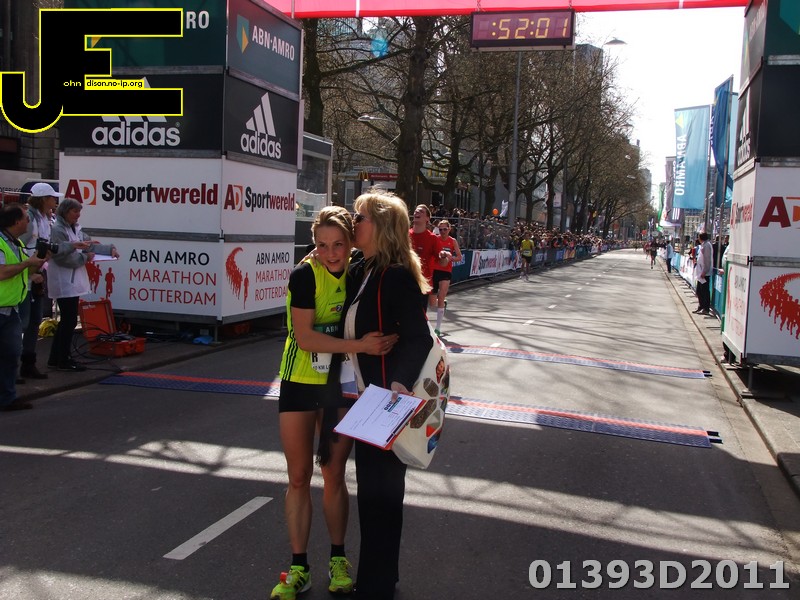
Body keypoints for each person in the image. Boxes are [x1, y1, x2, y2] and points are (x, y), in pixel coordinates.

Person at [271, 206, 397, 600]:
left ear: (350, 243)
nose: (330, 253)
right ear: (314, 245)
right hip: (299, 380)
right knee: (297, 477)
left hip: (339, 384)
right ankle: (299, 567)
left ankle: (338, 561)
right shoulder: (304, 275)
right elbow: (306, 337)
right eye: (322, 245)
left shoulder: (360, 271)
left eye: (338, 244)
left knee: (333, 474)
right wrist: (358, 346)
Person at [343, 191, 434, 600]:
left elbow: (418, 338)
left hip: (383, 402)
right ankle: (377, 579)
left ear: (379, 226)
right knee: (373, 496)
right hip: (366, 400)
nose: (353, 222)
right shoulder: (362, 268)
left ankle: (377, 586)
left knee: (381, 497)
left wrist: (398, 385)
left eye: (359, 217)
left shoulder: (394, 276)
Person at [47, 198, 118, 372]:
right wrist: (85, 258)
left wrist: (110, 250)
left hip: (72, 280)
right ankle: (63, 359)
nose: (78, 215)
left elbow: (89, 245)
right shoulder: (58, 230)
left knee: (67, 320)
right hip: (64, 280)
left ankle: (56, 357)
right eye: (75, 211)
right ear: (65, 212)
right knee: (69, 320)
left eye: (79, 211)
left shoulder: (75, 228)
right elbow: (62, 257)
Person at [0, 204, 46, 411]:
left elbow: (23, 272)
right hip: (3, 308)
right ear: (16, 221)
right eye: (26, 218)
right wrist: (28, 264)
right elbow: (2, 272)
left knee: (11, 355)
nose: (29, 222)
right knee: (9, 354)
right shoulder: (1, 243)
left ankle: (7, 398)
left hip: (10, 309)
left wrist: (39, 262)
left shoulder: (16, 243)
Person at [18, 182, 63, 381]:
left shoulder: (45, 219)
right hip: (25, 277)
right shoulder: (29, 220)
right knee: (22, 323)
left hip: (37, 274)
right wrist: (28, 273)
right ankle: (12, 367)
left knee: (35, 320)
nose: (55, 201)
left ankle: (28, 363)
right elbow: (18, 249)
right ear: (44, 199)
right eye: (53, 198)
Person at [409, 204, 445, 310]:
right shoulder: (404, 235)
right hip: (404, 282)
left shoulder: (432, 238)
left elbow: (443, 263)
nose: (417, 212)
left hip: (422, 285)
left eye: (421, 211)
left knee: (418, 317)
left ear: (427, 218)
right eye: (416, 211)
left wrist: (444, 257)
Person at [430, 219, 462, 335]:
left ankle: (438, 328)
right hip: (434, 271)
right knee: (432, 303)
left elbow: (459, 257)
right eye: (440, 229)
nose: (443, 231)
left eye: (445, 229)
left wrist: (450, 258)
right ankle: (443, 303)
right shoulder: (435, 239)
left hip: (446, 272)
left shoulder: (452, 241)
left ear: (449, 229)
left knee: (441, 296)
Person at [693, 232, 714, 315]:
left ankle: (706, 308)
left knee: (704, 291)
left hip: (704, 273)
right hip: (700, 272)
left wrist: (704, 271)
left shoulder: (707, 245)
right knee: (699, 291)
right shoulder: (703, 245)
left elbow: (707, 260)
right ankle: (701, 306)